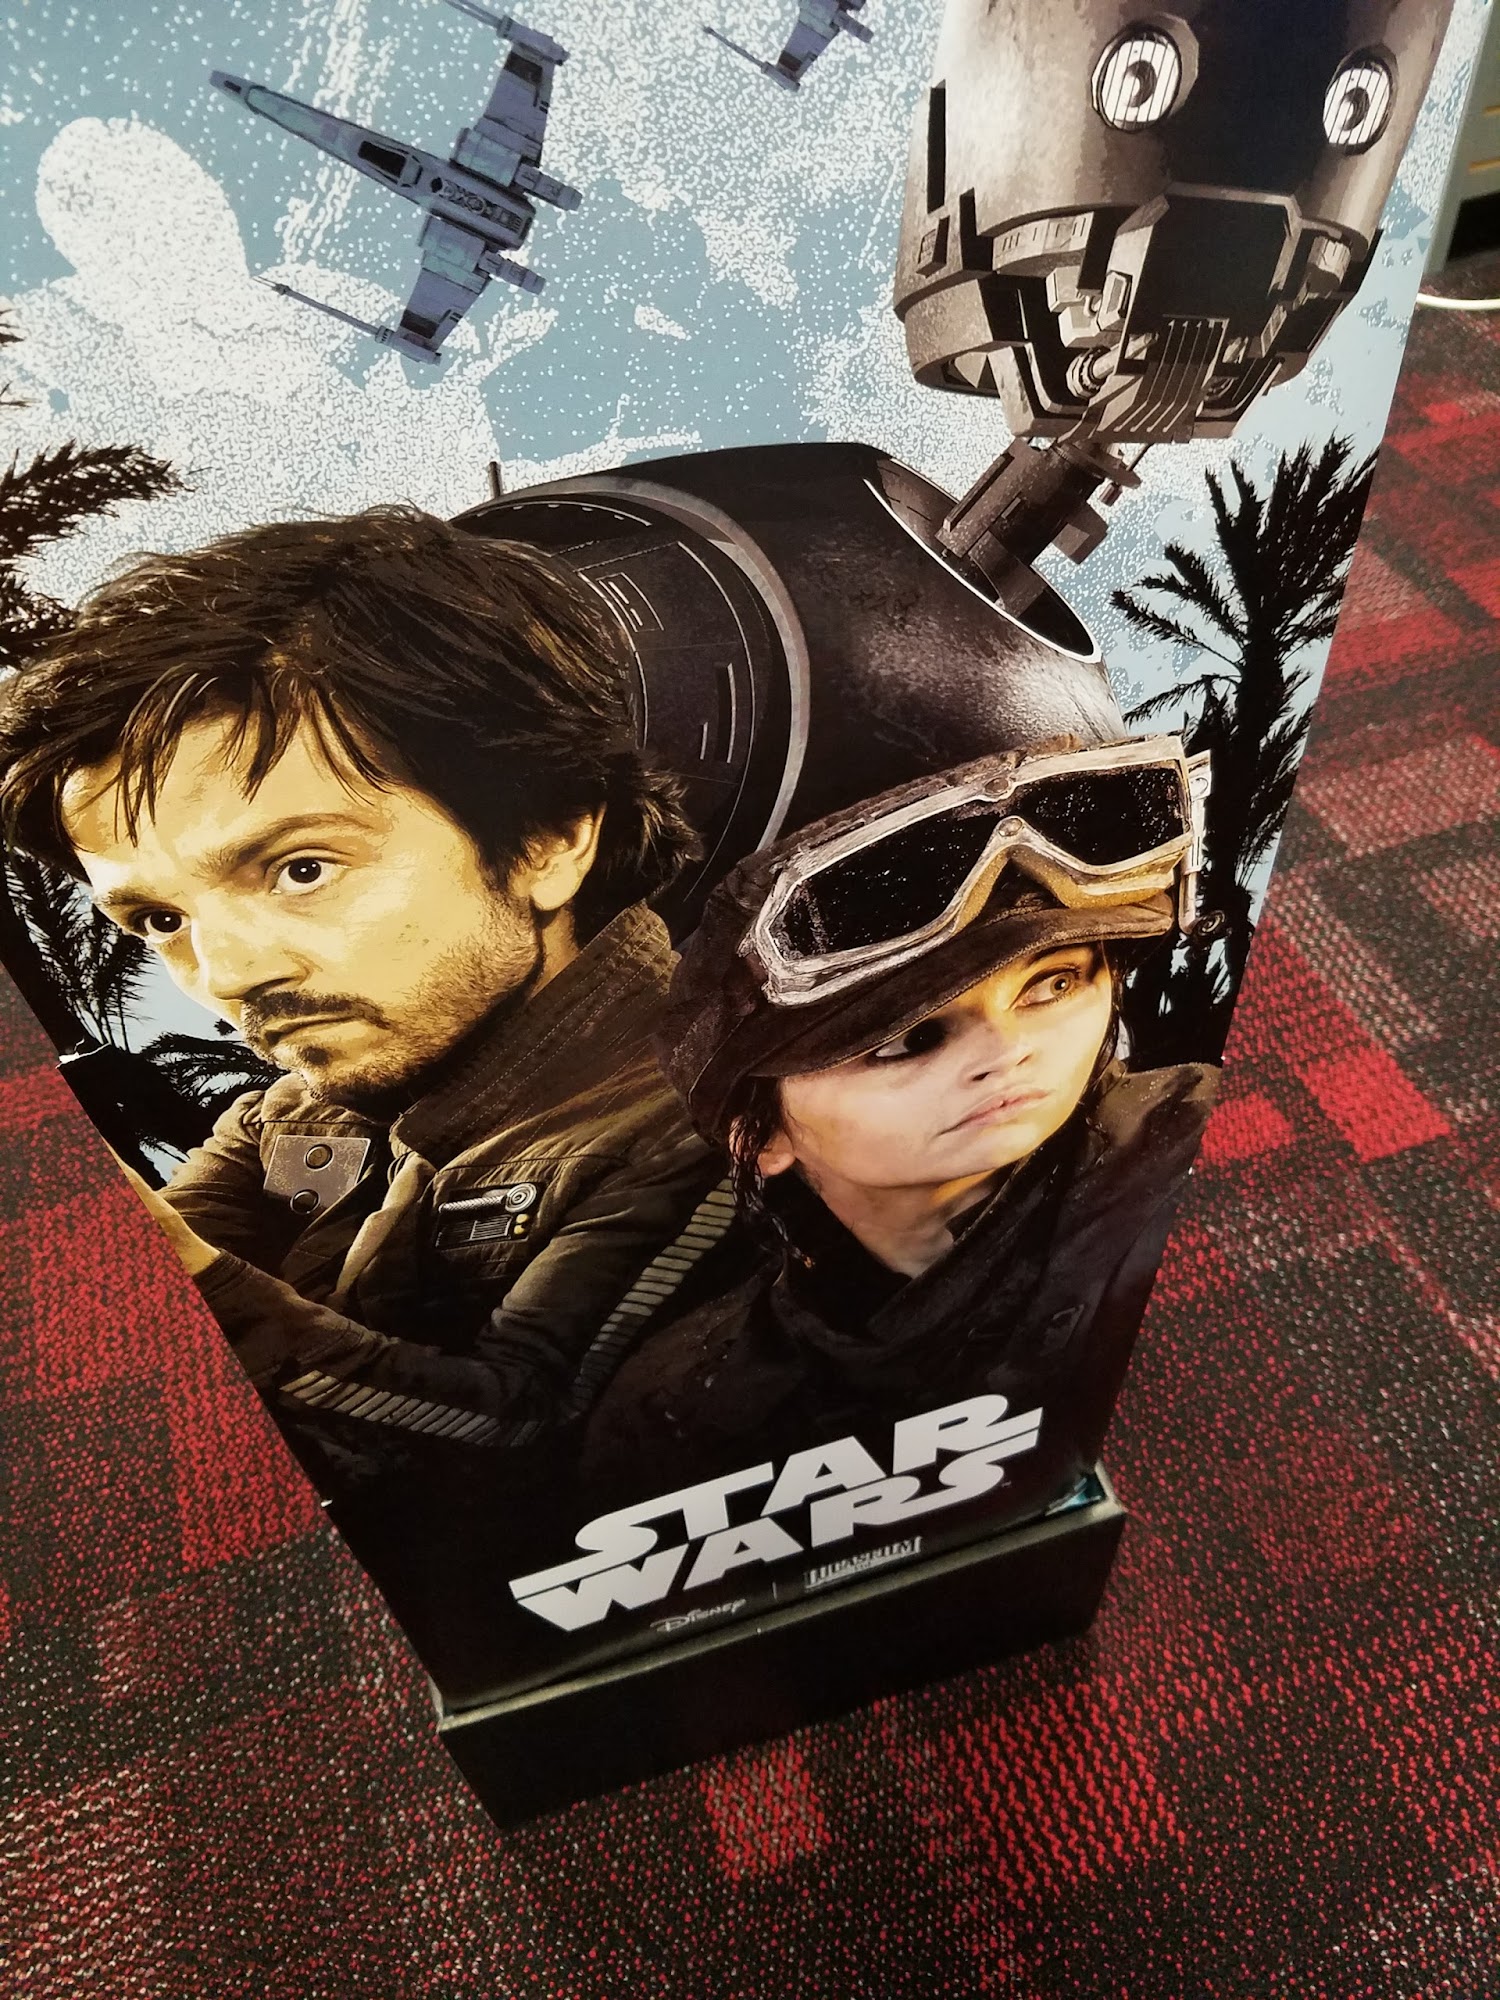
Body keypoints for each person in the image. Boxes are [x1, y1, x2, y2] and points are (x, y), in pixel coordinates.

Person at [0, 506, 724, 1469]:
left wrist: (169, 1272)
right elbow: (128, 1333)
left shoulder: (724, 1125)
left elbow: (536, 1448)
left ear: (549, 836)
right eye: (163, 919)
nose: (228, 975)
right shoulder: (294, 1118)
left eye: (301, 869)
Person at [581, 737, 1220, 1506]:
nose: (1007, 1053)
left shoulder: (1211, 1165)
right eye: (910, 1040)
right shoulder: (677, 1415)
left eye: (1052, 985)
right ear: (760, 1136)